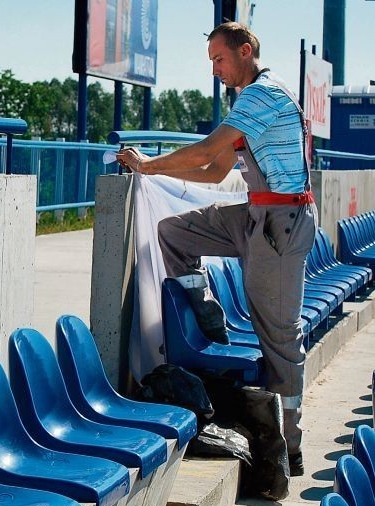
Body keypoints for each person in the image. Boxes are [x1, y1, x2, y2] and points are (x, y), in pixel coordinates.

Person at [117, 22, 316, 478]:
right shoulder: (247, 100)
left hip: (281, 225)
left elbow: (207, 153)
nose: (215, 69)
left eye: (219, 59)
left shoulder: (263, 94)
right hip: (256, 215)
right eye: (211, 61)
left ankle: (289, 444)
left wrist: (149, 164)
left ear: (246, 51)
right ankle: (208, 325)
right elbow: (214, 172)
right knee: (175, 233)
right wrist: (156, 174)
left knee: (279, 337)